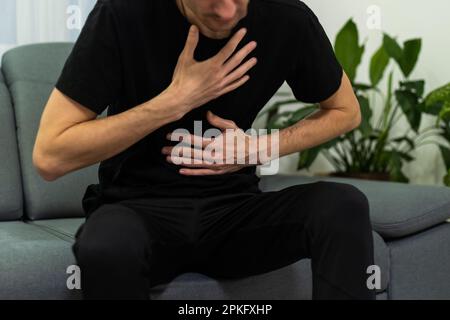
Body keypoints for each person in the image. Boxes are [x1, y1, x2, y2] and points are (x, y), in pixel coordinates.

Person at [33, 0, 376, 300]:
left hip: (234, 212)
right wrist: (174, 101)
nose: (228, 9)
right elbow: (49, 155)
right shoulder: (123, 12)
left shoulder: (284, 16)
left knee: (343, 206)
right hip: (138, 209)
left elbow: (346, 111)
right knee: (105, 247)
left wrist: (259, 148)